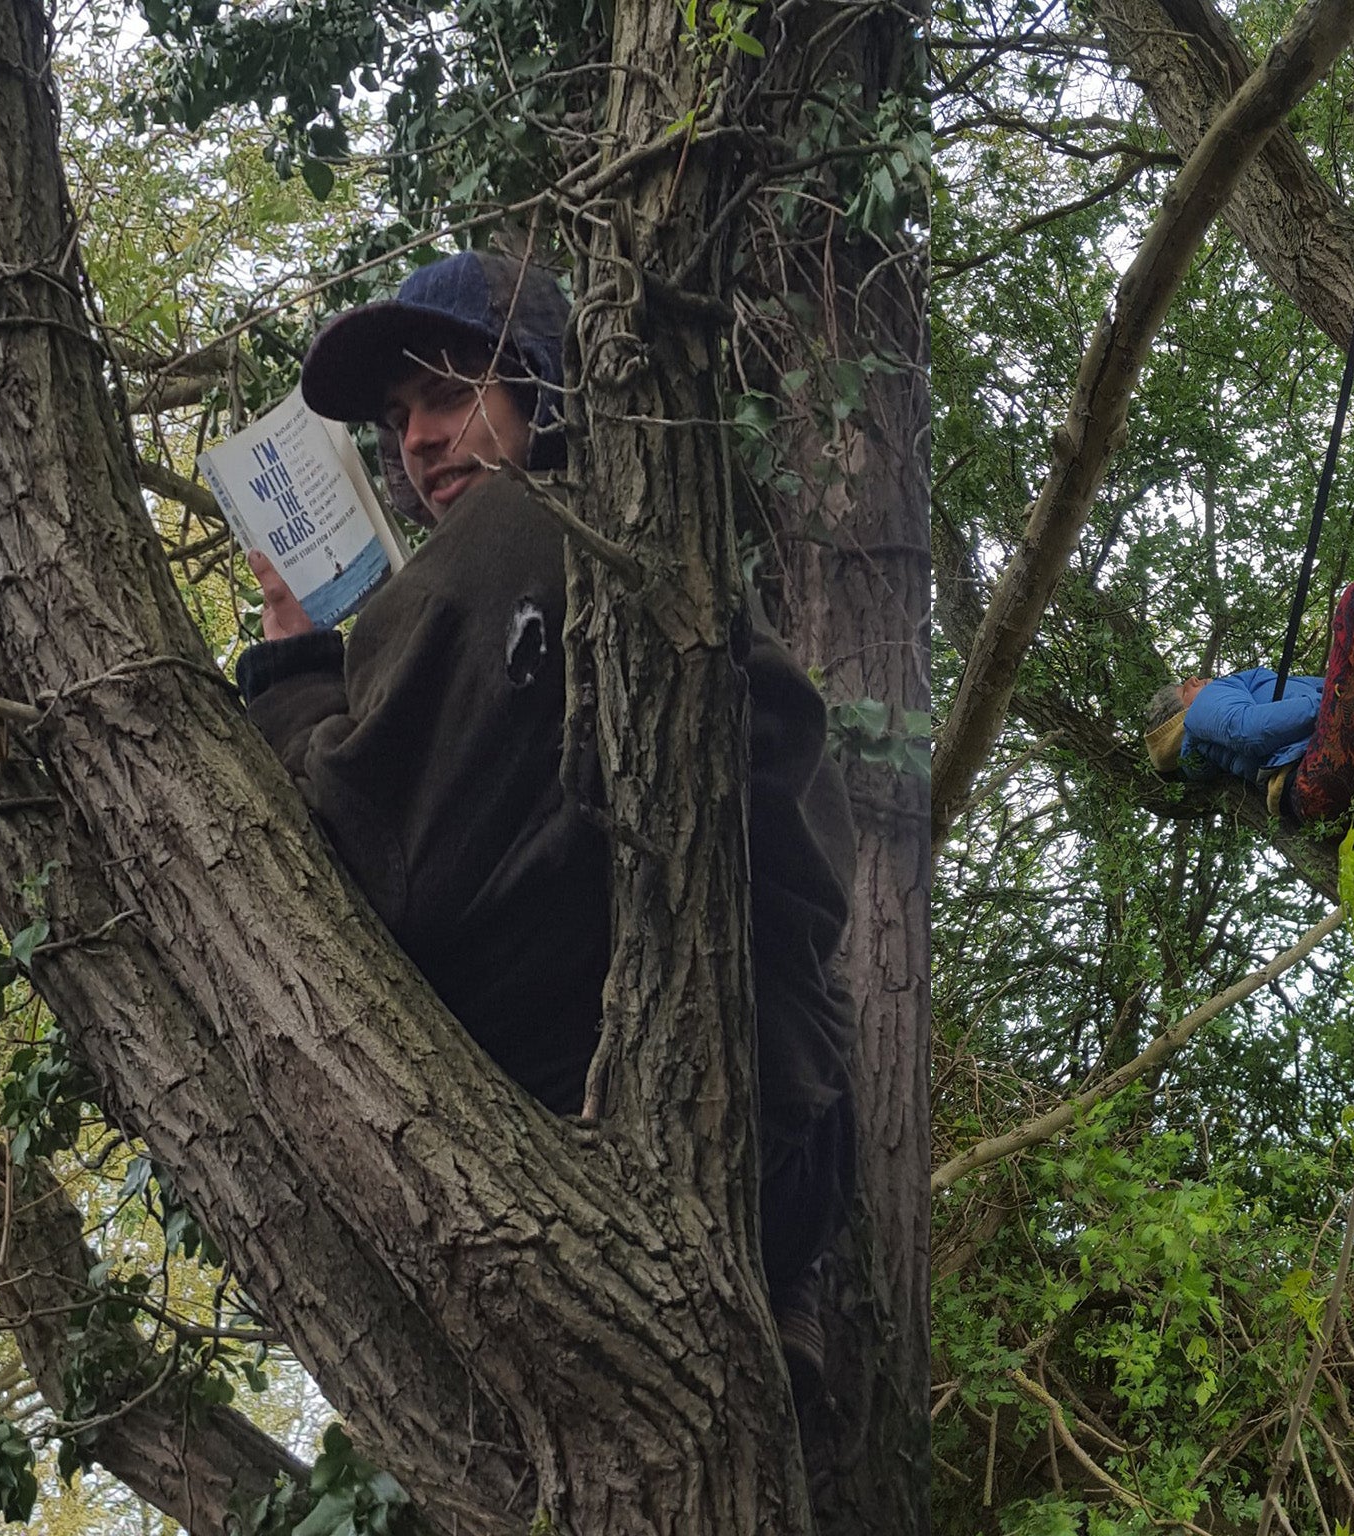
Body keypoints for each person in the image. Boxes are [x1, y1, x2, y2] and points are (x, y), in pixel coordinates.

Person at [234, 249, 855, 1387]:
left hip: (621, 1145)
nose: (420, 441)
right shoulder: (669, 562)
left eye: (451, 390)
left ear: (543, 384)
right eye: (397, 415)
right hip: (787, 1155)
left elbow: (372, 868)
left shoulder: (518, 531)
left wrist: (292, 680)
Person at [1145, 485, 1354, 825]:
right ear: (1182, 706)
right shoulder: (1201, 711)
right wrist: (1329, 703)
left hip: (1333, 798)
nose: (1194, 679)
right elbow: (1246, 729)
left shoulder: (1211, 753)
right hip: (1319, 773)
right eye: (1184, 688)